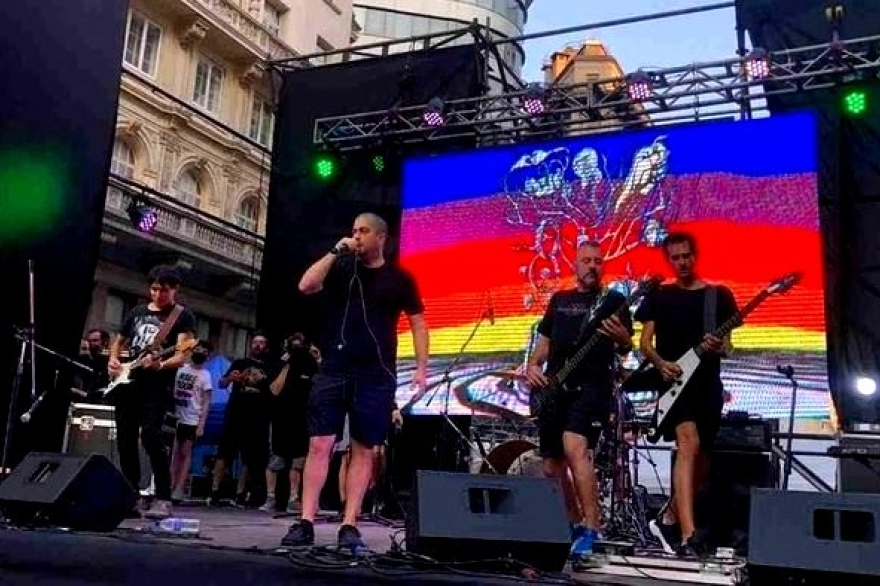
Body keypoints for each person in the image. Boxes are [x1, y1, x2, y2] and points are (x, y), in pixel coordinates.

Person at [281, 212, 428, 550]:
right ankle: (306, 520)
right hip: (335, 367)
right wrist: (336, 250)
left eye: (363, 232)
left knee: (363, 449)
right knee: (319, 444)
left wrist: (420, 368)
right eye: (353, 231)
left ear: (381, 238)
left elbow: (419, 323)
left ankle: (350, 524)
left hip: (376, 374)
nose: (357, 237)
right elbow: (306, 285)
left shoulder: (399, 279)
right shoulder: (341, 268)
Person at [526, 240, 634, 562]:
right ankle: (573, 524)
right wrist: (532, 366)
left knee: (575, 445)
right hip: (555, 387)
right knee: (551, 465)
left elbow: (627, 347)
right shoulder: (559, 300)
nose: (592, 266)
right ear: (575, 265)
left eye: (598, 261)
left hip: (592, 387)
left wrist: (621, 338)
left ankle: (593, 526)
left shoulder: (614, 301)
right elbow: (544, 344)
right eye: (586, 260)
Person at [635, 232, 738, 558]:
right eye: (675, 257)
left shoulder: (717, 296)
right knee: (688, 442)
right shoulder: (658, 296)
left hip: (707, 383)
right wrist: (660, 364)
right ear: (669, 259)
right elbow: (645, 344)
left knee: (703, 463)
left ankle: (667, 517)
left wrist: (719, 345)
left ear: (695, 255)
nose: (681, 262)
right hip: (674, 383)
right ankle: (688, 535)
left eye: (686, 256)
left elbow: (730, 346)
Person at [108, 265, 197, 520]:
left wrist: (160, 364)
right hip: (128, 381)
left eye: (164, 290)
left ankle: (163, 496)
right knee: (125, 440)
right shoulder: (137, 311)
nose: (158, 294)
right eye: (155, 289)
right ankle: (131, 494)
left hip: (157, 386)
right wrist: (114, 360)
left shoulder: (182, 316)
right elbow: (121, 339)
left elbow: (182, 354)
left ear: (175, 289)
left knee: (151, 436)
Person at [209, 333, 274, 507]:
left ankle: (240, 494)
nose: (258, 345)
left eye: (261, 343)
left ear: (266, 346)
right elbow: (222, 384)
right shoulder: (239, 363)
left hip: (256, 418)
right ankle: (214, 491)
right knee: (224, 453)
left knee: (248, 458)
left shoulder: (270, 368)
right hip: (235, 413)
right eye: (255, 342)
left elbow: (273, 392)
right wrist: (231, 378)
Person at [261, 333, 320, 513]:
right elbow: (274, 390)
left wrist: (316, 359)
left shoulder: (310, 365)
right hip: (280, 417)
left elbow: (319, 388)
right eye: (293, 346)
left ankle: (293, 499)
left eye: (299, 346)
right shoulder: (281, 364)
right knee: (276, 460)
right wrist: (286, 364)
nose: (296, 350)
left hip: (301, 419)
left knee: (297, 461)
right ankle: (270, 497)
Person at [170, 341, 213, 503]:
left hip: (192, 418)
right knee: (173, 453)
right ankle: (169, 484)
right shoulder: (181, 369)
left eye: (204, 350)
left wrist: (201, 424)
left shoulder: (206, 375)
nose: (200, 352)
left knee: (185, 453)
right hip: (176, 416)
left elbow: (207, 401)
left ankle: (179, 488)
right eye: (198, 349)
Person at [71, 328, 110, 403]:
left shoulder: (106, 362)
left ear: (104, 342)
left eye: (95, 340)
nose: (90, 343)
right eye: (89, 341)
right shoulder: (82, 361)